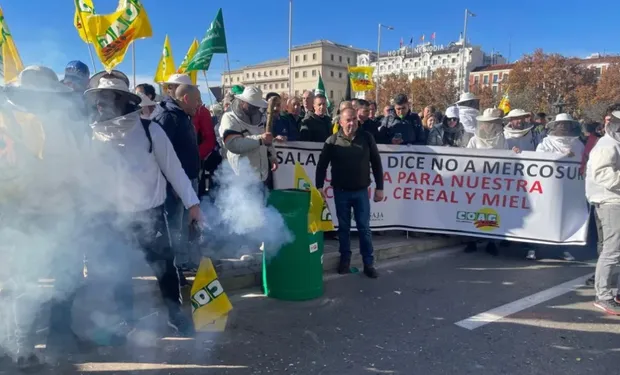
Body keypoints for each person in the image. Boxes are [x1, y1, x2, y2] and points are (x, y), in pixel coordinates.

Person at [84, 71, 202, 337]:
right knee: (119, 270)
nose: (101, 104)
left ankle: (174, 315)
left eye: (108, 97)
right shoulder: (90, 136)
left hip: (151, 214)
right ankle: (126, 321)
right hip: (112, 217)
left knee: (165, 267)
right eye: (99, 98)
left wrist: (193, 204)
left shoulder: (151, 130)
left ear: (124, 100)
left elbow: (174, 170)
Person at [1, 65, 86, 370]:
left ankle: (13, 348)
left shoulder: (52, 123)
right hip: (24, 216)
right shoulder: (20, 122)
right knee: (21, 285)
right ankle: (21, 352)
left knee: (15, 285)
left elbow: (74, 171)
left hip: (35, 215)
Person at [315, 108, 384, 279]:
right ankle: (345, 259)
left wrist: (380, 187)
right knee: (344, 229)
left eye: (354, 119)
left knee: (364, 228)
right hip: (341, 192)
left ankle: (368, 263)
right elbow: (322, 166)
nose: (352, 122)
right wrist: (319, 187)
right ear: (341, 122)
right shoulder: (332, 141)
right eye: (348, 119)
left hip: (361, 192)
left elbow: (376, 163)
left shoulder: (367, 138)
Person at [151, 78, 202, 271]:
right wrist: (170, 184)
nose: (199, 104)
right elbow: (160, 154)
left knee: (184, 225)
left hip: (187, 180)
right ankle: (174, 266)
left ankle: (182, 262)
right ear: (186, 98)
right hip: (174, 184)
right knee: (174, 225)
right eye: (197, 100)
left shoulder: (182, 115)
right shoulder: (167, 117)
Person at [533, 113, 584, 261]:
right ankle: (533, 248)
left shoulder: (578, 144)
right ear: (555, 126)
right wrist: (560, 156)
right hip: (547, 189)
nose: (564, 127)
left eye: (566, 125)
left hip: (568, 190)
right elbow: (539, 162)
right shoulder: (545, 143)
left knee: (564, 219)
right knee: (541, 218)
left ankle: (563, 249)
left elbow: (583, 163)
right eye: (561, 124)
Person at [585, 110, 620, 315]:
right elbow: (602, 175)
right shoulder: (607, 145)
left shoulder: (614, 144)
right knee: (612, 249)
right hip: (610, 201)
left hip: (615, 200)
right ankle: (603, 296)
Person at [219, 86, 278, 186]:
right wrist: (260, 139)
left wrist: (272, 156)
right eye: (252, 105)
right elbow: (233, 144)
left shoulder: (260, 118)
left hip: (261, 175)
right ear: (243, 102)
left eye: (257, 106)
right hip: (240, 177)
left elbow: (266, 139)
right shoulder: (229, 118)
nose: (255, 109)